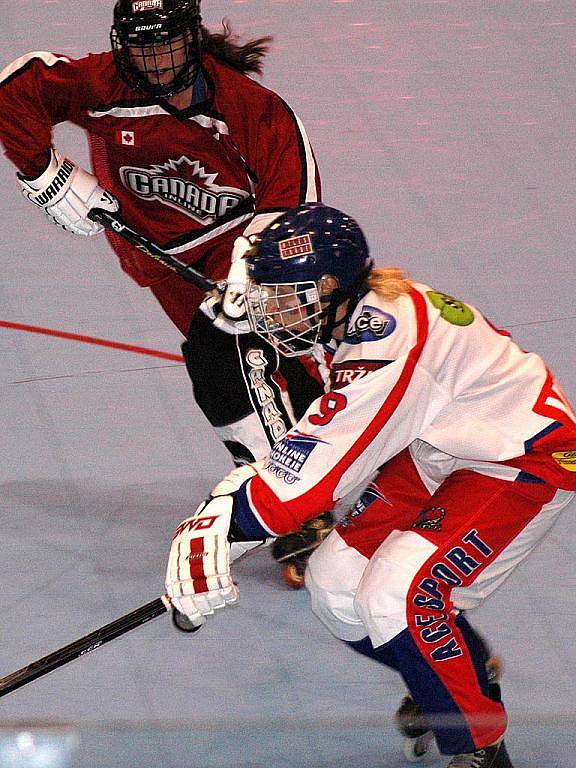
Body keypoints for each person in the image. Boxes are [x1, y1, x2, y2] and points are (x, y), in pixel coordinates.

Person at [164, 202, 576, 768]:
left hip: (521, 458)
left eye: (282, 296)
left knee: (400, 598)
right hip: (442, 450)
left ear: (329, 285)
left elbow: (315, 476)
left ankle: (478, 746)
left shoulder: (386, 339)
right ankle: (458, 680)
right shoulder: (350, 308)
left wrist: (220, 525)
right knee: (334, 585)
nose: (269, 312)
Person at [0, 0, 331, 585]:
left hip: (244, 251)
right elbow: (14, 89)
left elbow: (293, 201)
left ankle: (293, 501)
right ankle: (333, 460)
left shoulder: (248, 107)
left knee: (221, 364)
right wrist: (44, 175)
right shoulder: (103, 84)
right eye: (140, 47)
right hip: (163, 265)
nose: (153, 62)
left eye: (166, 46)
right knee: (266, 370)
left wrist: (254, 276)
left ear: (194, 39)